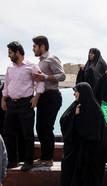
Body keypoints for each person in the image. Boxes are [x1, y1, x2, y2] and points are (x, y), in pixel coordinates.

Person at [1, 41, 45, 171]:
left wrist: (36, 97)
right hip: (11, 104)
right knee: (9, 134)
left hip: (25, 104)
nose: (8, 55)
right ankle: (12, 161)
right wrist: (3, 99)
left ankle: (28, 161)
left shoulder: (31, 66)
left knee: (27, 134)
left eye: (10, 53)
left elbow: (40, 82)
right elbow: (7, 85)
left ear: (17, 52)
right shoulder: (10, 68)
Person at [60, 82, 107, 186]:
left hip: (88, 157)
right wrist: (75, 115)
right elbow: (63, 121)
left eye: (76, 91)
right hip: (74, 153)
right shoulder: (75, 107)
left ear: (83, 93)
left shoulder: (96, 113)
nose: (74, 94)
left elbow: (96, 136)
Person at [32, 35, 66, 167]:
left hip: (52, 97)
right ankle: (45, 157)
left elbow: (62, 76)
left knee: (46, 128)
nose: (33, 49)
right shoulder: (40, 61)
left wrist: (45, 77)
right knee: (40, 128)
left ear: (42, 46)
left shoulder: (51, 58)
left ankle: (47, 158)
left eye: (35, 46)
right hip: (43, 97)